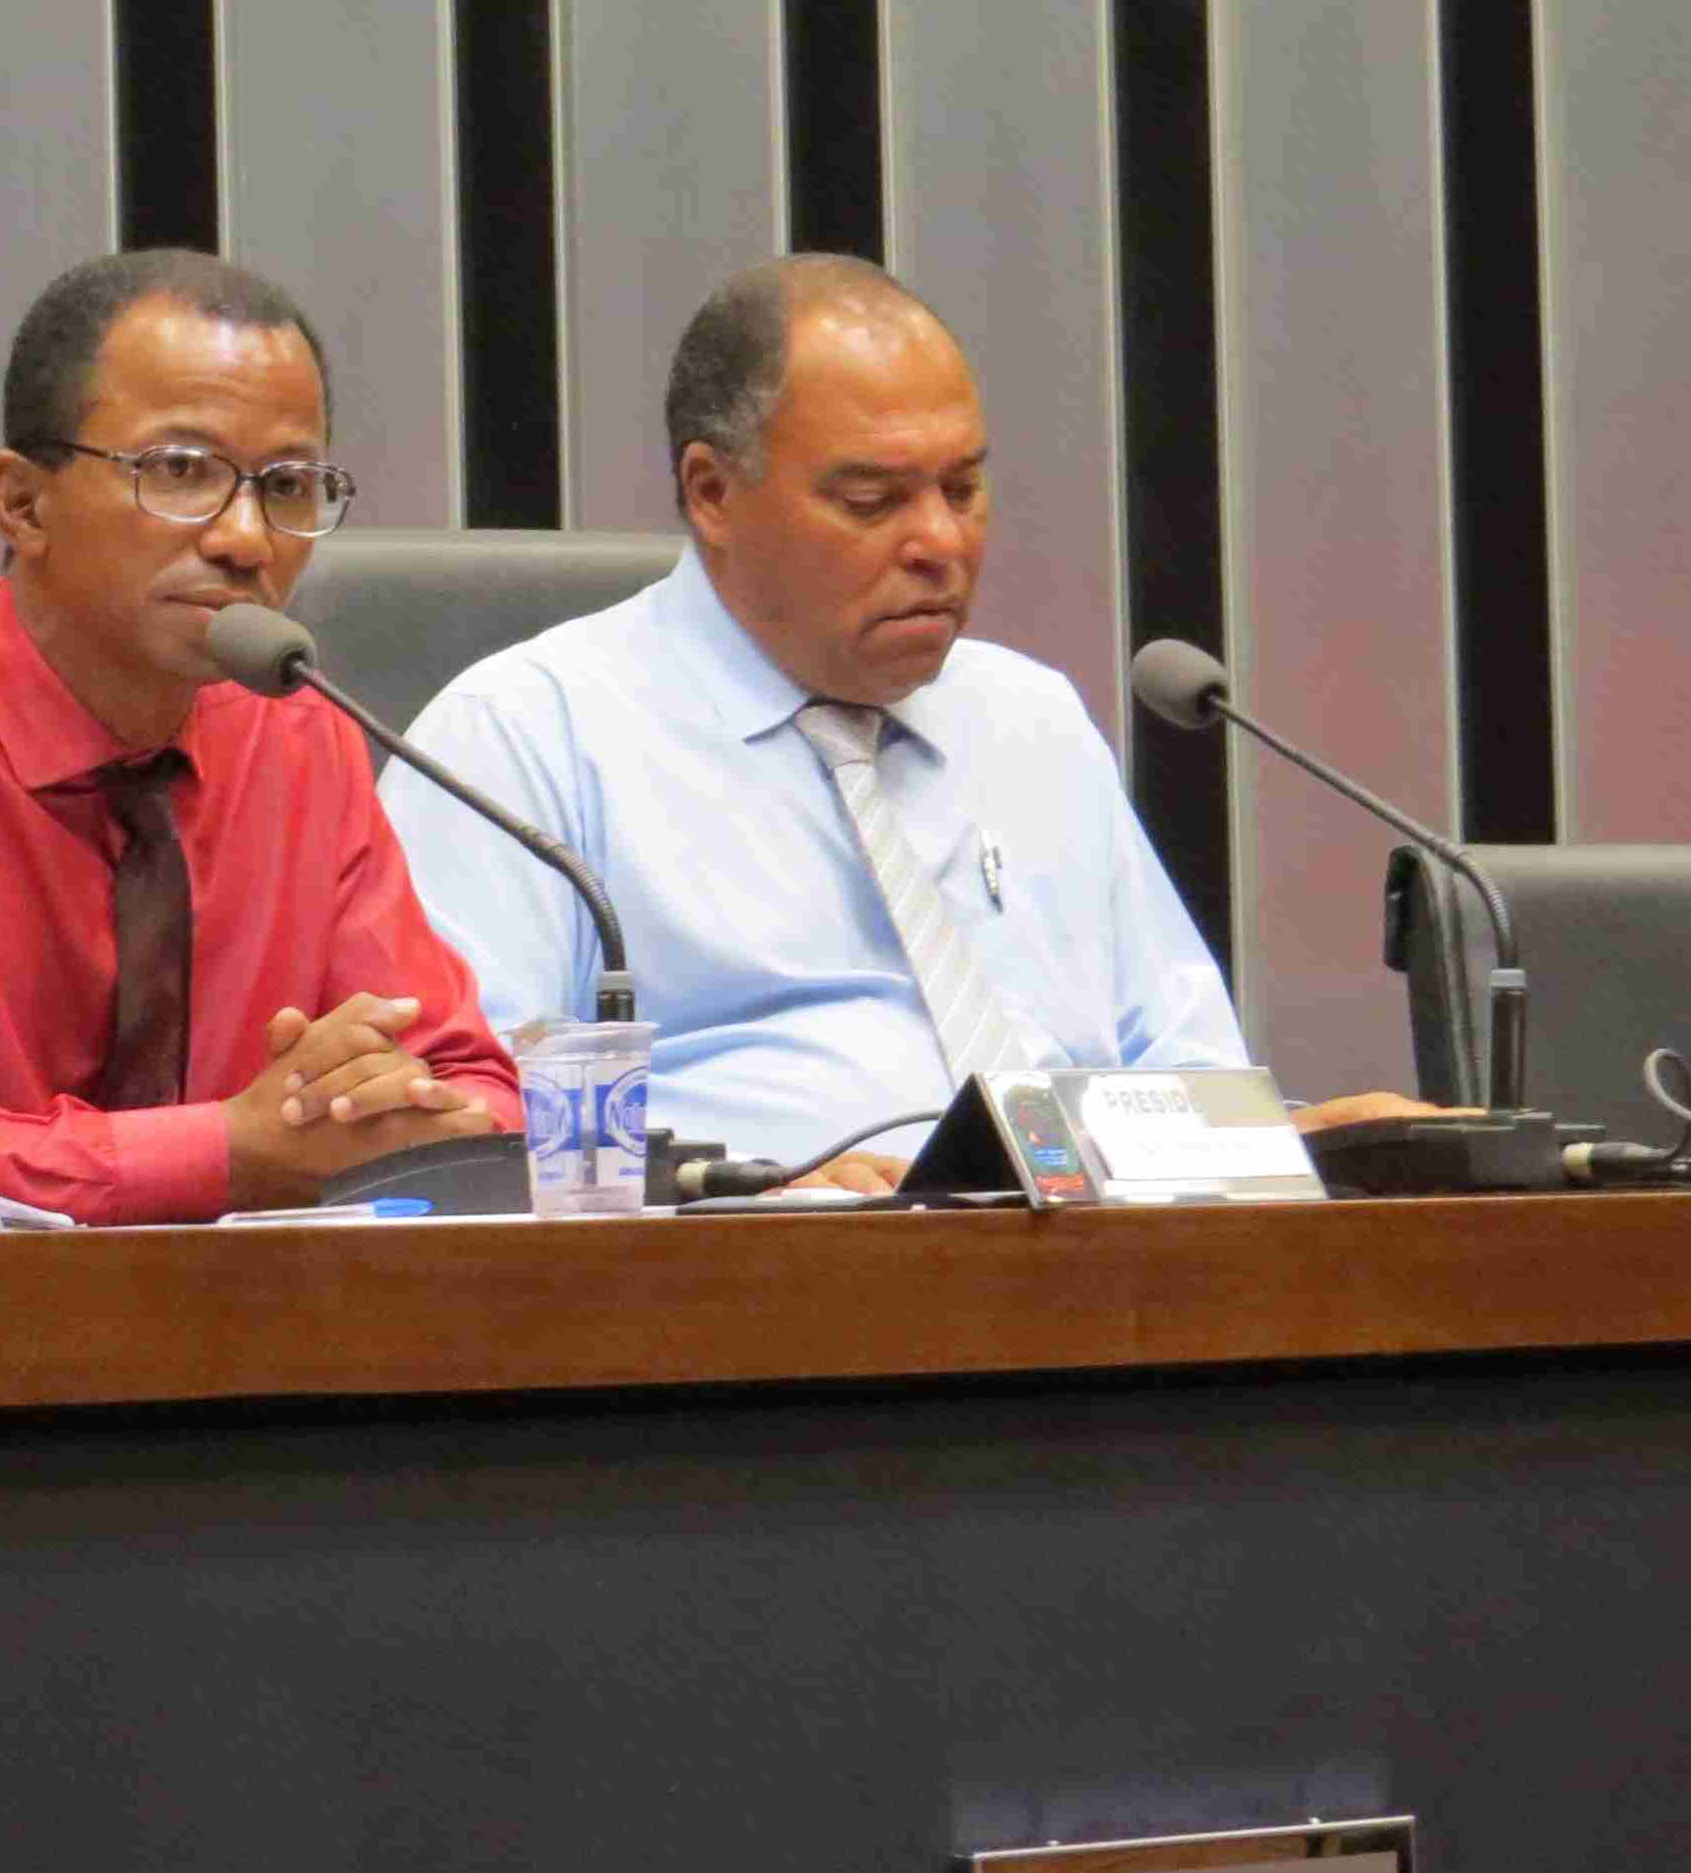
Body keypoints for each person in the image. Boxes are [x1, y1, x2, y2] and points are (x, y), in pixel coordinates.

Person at [379, 254, 1420, 1188]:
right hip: (752, 1293)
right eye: (872, 501)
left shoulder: (1030, 720)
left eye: (962, 489)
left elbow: (1178, 1065)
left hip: (1098, 1276)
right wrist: (731, 1196)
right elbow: (467, 1140)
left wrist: (1301, 1138)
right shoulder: (523, 740)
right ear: (711, 491)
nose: (940, 543)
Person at [0, 248, 517, 1223]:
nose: (245, 538)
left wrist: (385, 1117)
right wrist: (216, 1155)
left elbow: (473, 1093)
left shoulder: (297, 731)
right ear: (23, 505)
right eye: (181, 471)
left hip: (255, 1313)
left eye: (287, 485)